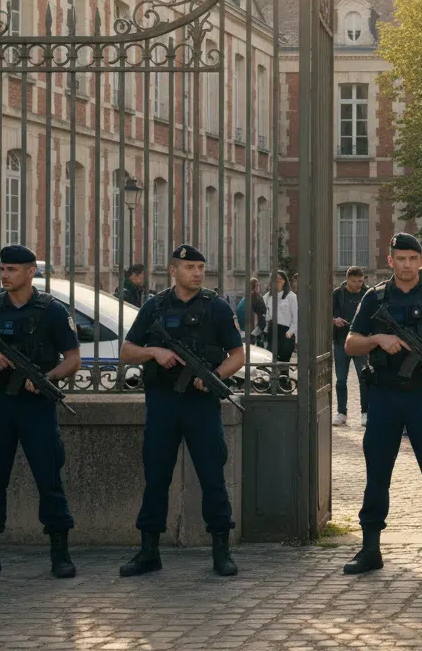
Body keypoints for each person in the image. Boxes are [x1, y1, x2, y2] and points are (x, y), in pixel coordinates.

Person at [0, 245, 82, 580]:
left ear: (30, 272)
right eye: (3, 269)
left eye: (12, 269)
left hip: (36, 409)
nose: (5, 275)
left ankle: (60, 553)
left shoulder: (52, 311)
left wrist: (47, 379)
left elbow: (73, 359)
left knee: (49, 480)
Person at [341, 233, 422, 577]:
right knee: (377, 473)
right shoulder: (375, 297)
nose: (407, 265)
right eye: (401, 259)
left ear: (421, 261)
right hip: (384, 397)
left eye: (413, 259)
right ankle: (370, 549)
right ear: (390, 260)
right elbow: (351, 343)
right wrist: (377, 339)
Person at [118, 245, 245, 578]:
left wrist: (216, 376)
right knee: (156, 476)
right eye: (190, 267)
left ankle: (221, 549)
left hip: (201, 405)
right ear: (173, 271)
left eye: (201, 267)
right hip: (163, 403)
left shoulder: (216, 307)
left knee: (212, 476)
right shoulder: (155, 307)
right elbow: (127, 351)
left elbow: (238, 354)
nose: (198, 273)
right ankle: (149, 550)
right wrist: (154, 352)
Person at [332, 267, 370, 427]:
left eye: (360, 281)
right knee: (341, 379)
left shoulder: (367, 294)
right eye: (355, 281)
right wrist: (335, 320)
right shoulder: (337, 294)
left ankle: (365, 413)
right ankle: (341, 413)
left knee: (364, 379)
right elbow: (327, 313)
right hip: (341, 341)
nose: (358, 284)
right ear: (347, 279)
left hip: (361, 342)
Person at [265, 270, 298, 365]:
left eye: (280, 279)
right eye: (275, 279)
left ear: (284, 281)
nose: (278, 281)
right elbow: (265, 313)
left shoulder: (291, 296)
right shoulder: (267, 296)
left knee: (283, 364)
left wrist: (290, 332)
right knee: (271, 363)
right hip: (272, 332)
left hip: (286, 333)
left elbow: (296, 317)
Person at [236, 277, 267, 344]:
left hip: (250, 327)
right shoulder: (256, 296)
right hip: (256, 326)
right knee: (256, 343)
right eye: (256, 286)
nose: (258, 288)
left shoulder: (245, 298)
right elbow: (263, 311)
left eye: (258, 286)